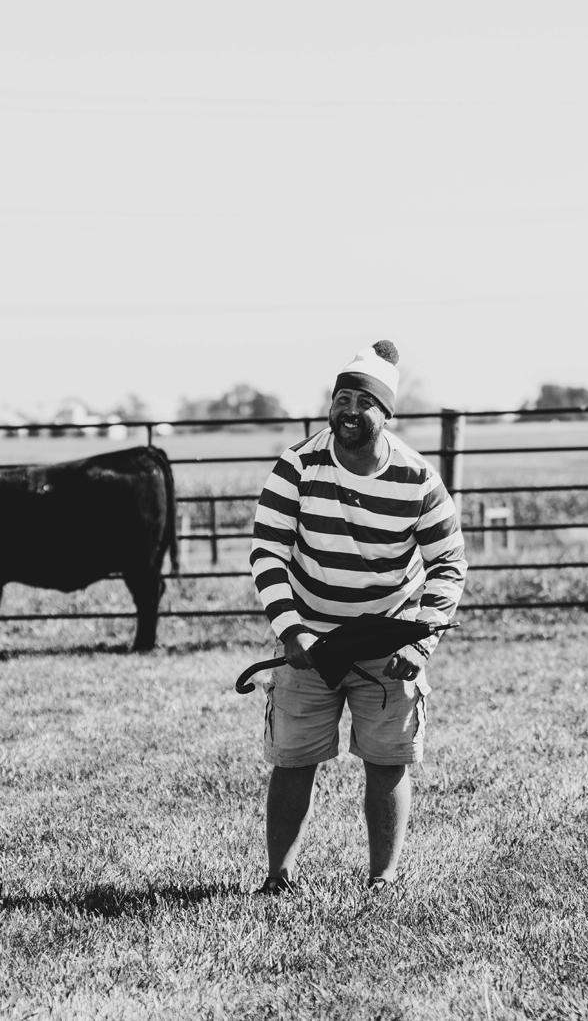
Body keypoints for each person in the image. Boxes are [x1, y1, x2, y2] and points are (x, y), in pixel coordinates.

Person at [247, 340, 467, 894]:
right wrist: (291, 631)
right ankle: (278, 877)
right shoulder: (298, 466)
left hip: (387, 641)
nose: (348, 411)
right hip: (309, 638)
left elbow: (448, 562)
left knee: (388, 760)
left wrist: (419, 644)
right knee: (293, 758)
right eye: (341, 399)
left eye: (363, 402)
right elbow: (267, 551)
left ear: (386, 412)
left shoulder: (418, 479)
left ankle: (382, 879)